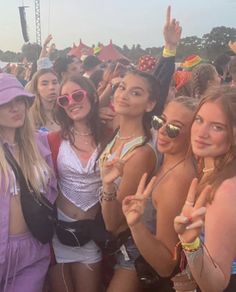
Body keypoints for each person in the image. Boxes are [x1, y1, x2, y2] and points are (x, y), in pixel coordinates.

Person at [119, 96, 197, 291]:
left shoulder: (176, 181)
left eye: (174, 129)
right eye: (160, 121)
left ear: (193, 135)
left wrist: (135, 225)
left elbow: (166, 265)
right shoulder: (169, 160)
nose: (161, 130)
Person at [99, 68, 160, 292]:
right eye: (121, 87)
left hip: (131, 245)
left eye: (135, 93)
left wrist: (107, 185)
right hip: (113, 243)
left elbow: (113, 222)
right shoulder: (117, 130)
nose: (123, 95)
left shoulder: (140, 152)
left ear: (150, 104)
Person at [174, 86, 236, 292]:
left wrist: (191, 245)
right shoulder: (211, 169)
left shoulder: (226, 190)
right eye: (199, 120)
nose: (201, 133)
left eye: (217, 127)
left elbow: (216, 285)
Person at [48, 75, 107, 292]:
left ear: (90, 95)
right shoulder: (53, 140)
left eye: (77, 95)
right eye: (64, 100)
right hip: (58, 233)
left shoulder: (110, 136)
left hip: (91, 235)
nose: (71, 102)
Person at [0, 73, 57, 292]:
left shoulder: (40, 142)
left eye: (20, 101)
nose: (16, 108)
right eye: (6, 103)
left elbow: (52, 189)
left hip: (33, 250)